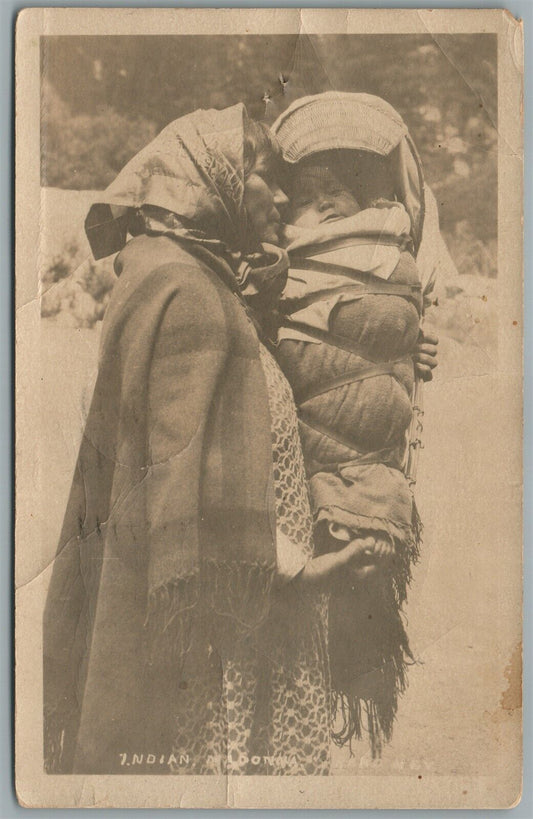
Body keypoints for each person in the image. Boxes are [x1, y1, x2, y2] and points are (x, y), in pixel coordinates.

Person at [43, 103, 380, 777]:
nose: (279, 194)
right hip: (230, 631)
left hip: (239, 611)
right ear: (215, 179)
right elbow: (182, 483)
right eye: (261, 172)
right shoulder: (185, 289)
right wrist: (299, 569)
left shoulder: (189, 273)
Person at [271, 92, 454, 756]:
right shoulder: (273, 274)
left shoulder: (389, 255)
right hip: (304, 474)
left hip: (365, 460)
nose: (329, 205)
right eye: (310, 193)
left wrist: (405, 340)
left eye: (341, 191)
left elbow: (391, 323)